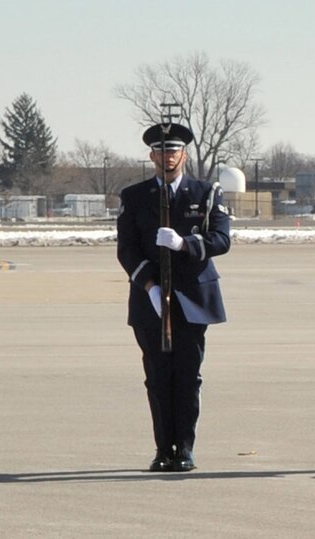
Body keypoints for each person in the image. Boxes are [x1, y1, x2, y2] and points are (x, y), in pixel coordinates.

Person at [115, 121, 232, 472]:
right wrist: (149, 287)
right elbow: (127, 249)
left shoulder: (205, 192)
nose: (168, 157)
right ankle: (162, 448)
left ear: (184, 154)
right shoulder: (134, 196)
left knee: (188, 376)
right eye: (161, 151)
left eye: (174, 150)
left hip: (193, 298)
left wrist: (186, 244)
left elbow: (222, 240)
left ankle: (184, 448)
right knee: (157, 376)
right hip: (150, 299)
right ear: (152, 155)